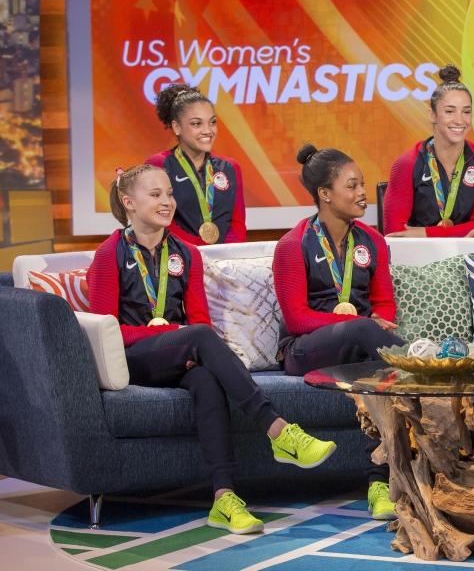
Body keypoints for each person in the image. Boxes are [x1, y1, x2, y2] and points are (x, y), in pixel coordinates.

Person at [88, 164, 336, 535]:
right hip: (133, 361)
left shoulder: (186, 254)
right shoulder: (109, 254)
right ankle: (278, 430)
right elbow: (106, 332)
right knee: (201, 337)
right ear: (128, 203)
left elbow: (198, 318)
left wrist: (183, 340)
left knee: (206, 379)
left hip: (180, 355)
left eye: (169, 194)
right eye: (155, 195)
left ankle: (224, 499)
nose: (167, 201)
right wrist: (176, 334)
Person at [273, 144, 406, 520]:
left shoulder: (373, 241)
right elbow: (297, 319)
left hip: (359, 346)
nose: (363, 193)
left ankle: (379, 482)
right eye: (353, 186)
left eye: (362, 184)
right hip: (303, 351)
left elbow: (384, 305)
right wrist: (358, 325)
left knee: (379, 375)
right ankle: (425, 369)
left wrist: (371, 323)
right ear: (325, 194)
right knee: (369, 336)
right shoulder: (292, 245)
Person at [384, 64, 474, 238]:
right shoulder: (406, 164)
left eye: (466, 112)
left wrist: (424, 233)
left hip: (467, 258)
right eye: (450, 111)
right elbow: (395, 234)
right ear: (432, 115)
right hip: (416, 259)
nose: (460, 120)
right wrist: (459, 235)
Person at [146, 84, 246, 245]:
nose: (208, 130)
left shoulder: (230, 166)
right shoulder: (159, 164)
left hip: (224, 260)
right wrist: (200, 252)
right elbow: (160, 222)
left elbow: (237, 222)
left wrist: (227, 254)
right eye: (196, 124)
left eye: (212, 122)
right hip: (180, 257)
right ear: (176, 127)